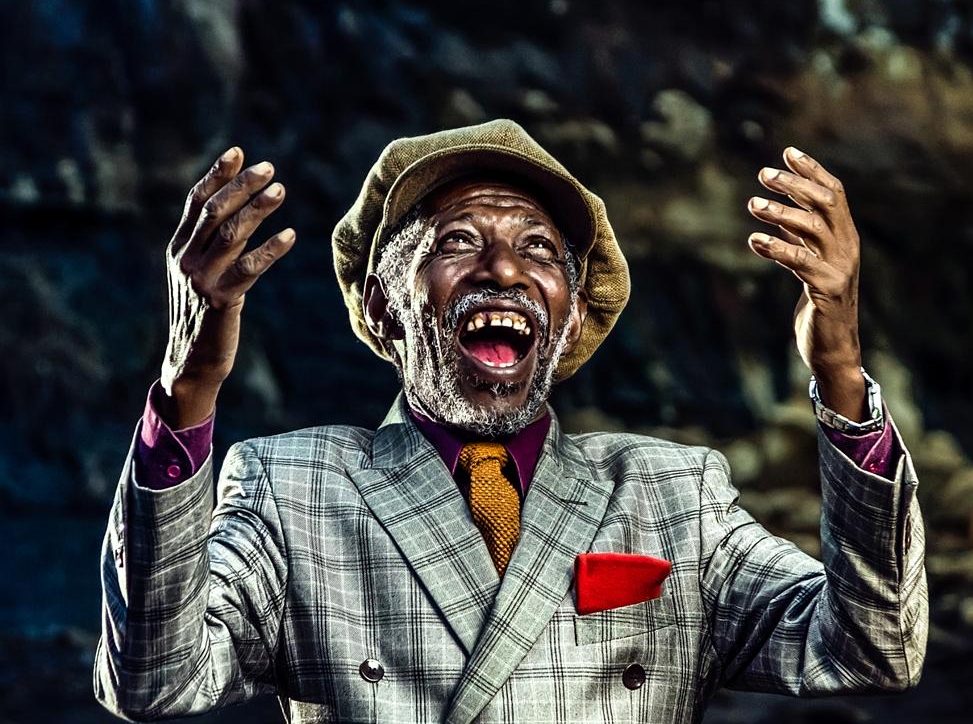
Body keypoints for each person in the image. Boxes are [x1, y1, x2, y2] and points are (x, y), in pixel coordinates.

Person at [94, 119, 926, 723]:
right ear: (385, 304)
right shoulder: (290, 488)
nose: (504, 269)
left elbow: (872, 648)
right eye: (457, 241)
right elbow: (154, 681)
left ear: (568, 317)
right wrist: (189, 384)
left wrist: (842, 372)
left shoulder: (676, 493)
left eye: (538, 249)